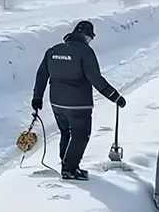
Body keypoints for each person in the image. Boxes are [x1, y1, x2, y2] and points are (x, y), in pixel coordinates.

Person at [31, 19, 126, 180]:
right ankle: (70, 169)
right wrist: (115, 97)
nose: (90, 41)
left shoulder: (53, 50)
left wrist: (37, 97)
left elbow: (42, 75)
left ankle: (66, 164)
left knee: (66, 133)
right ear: (86, 36)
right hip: (78, 104)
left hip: (57, 103)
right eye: (90, 37)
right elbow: (96, 79)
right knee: (80, 135)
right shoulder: (85, 52)